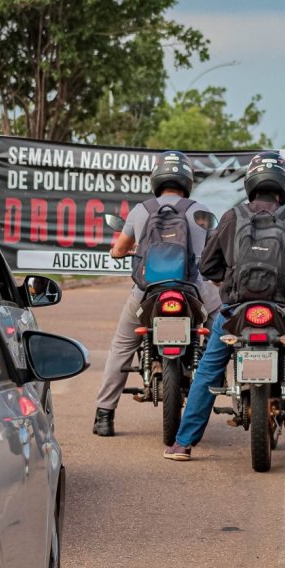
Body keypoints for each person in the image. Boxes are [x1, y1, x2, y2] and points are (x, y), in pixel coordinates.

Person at [163, 151, 285, 461]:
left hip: (237, 312)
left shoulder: (232, 217)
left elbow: (207, 267)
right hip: (284, 312)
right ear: (284, 185)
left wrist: (225, 278)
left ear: (250, 183)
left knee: (208, 370)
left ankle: (183, 443)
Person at [93, 151, 221, 437]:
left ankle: (104, 415)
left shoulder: (141, 210)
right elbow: (215, 254)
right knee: (221, 333)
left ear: (156, 179)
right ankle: (221, 384)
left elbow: (119, 249)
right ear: (187, 180)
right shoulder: (202, 211)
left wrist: (119, 252)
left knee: (122, 346)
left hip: (147, 291)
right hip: (195, 290)